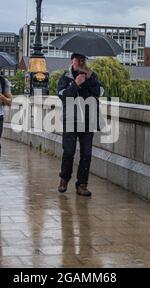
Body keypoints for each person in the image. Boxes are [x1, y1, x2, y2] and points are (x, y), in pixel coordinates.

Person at [57, 53, 104, 197]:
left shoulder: (92, 76)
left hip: (88, 120)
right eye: (78, 60)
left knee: (86, 154)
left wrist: (90, 79)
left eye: (83, 60)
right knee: (69, 151)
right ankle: (64, 178)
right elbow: (63, 96)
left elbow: (100, 92)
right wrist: (75, 83)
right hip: (70, 120)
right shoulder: (66, 77)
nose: (81, 63)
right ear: (72, 61)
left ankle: (82, 185)